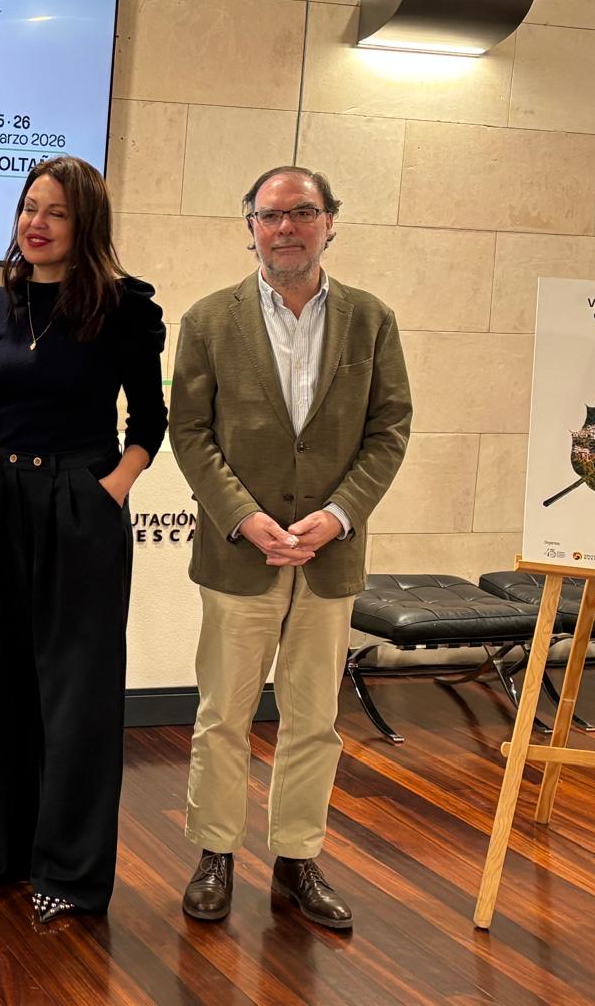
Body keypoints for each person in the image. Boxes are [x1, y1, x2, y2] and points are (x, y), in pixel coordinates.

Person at [169, 166, 411, 931]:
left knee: (314, 719)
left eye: (303, 212)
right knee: (223, 714)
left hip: (329, 558)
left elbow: (390, 429)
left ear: (330, 221)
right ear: (251, 227)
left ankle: (298, 858)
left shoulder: (372, 320)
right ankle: (214, 852)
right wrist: (242, 516)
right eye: (271, 215)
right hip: (240, 554)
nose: (286, 228)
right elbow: (190, 432)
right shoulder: (210, 320)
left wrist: (340, 515)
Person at [0, 156, 167, 923]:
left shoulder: (122, 307)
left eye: (57, 212)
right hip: (1, 503)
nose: (35, 224)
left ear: (85, 225)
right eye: (29, 208)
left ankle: (70, 875)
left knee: (77, 694)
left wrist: (109, 491)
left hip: (81, 500)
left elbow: (149, 421)